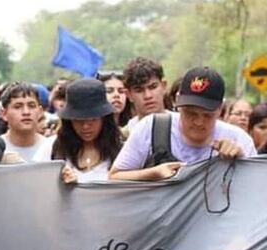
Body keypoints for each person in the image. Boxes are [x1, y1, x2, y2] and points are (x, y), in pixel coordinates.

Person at [110, 66, 256, 182]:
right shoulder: (151, 128)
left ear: (220, 109)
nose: (199, 122)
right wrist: (153, 173)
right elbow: (114, 177)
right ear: (177, 102)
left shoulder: (239, 139)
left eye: (207, 115)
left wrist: (240, 162)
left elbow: (256, 191)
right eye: (190, 113)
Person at [49, 79, 123, 183]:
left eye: (93, 120)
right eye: (78, 120)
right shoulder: (54, 148)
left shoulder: (122, 151)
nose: (85, 126)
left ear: (104, 118)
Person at [0, 82, 54, 163]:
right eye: (18, 107)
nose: (26, 112)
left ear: (40, 112)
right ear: (4, 114)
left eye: (31, 106)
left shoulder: (51, 149)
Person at [123, 57, 169, 132]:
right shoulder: (123, 137)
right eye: (139, 90)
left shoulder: (182, 126)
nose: (148, 96)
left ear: (163, 86)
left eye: (153, 87)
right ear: (129, 95)